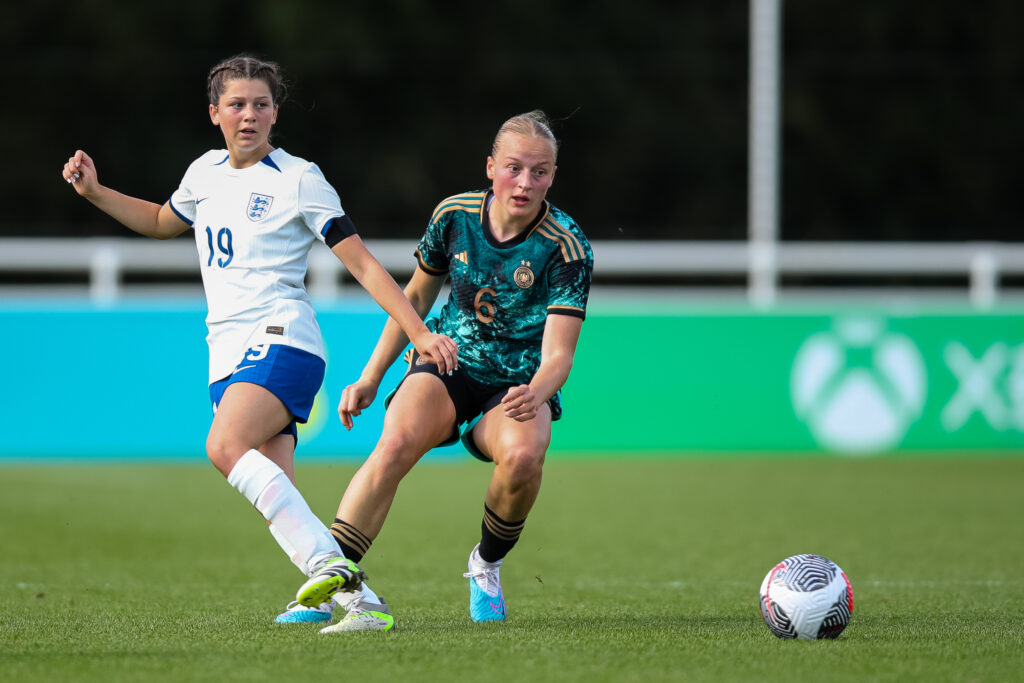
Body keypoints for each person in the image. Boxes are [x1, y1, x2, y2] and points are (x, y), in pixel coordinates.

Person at [60, 54, 458, 625]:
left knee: (222, 446)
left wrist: (418, 332)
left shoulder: (299, 179)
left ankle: (335, 571)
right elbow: (158, 222)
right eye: (237, 104)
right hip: (225, 351)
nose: (249, 115)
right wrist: (96, 192)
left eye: (261, 105)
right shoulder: (203, 174)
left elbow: (364, 264)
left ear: (276, 113)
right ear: (214, 113)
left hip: (282, 338)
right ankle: (359, 603)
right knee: (282, 501)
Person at [293, 110, 593, 633]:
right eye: (514, 168)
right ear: (490, 168)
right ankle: (331, 585)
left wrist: (537, 393)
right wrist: (369, 377)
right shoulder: (453, 216)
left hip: (518, 383)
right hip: (448, 363)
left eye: (540, 172)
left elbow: (559, 355)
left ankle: (486, 566)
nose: (526, 183)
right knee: (395, 442)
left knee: (524, 456)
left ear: (553, 176)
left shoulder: (566, 246)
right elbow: (413, 298)